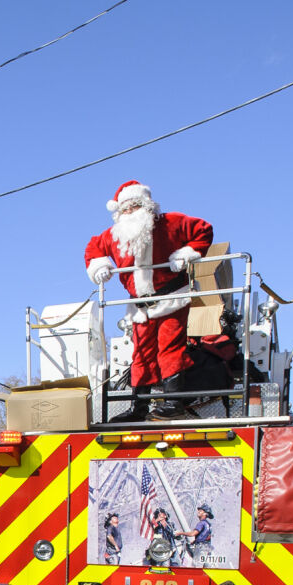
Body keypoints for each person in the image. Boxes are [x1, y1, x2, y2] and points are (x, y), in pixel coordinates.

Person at [83, 180, 214, 421]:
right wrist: (100, 266)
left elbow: (203, 229)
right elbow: (93, 249)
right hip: (140, 306)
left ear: (147, 205)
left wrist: (186, 254)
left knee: (170, 348)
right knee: (141, 355)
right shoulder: (114, 236)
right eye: (125, 208)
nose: (130, 212)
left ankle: (173, 403)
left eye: (135, 206)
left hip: (171, 298)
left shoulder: (171, 222)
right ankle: (138, 407)